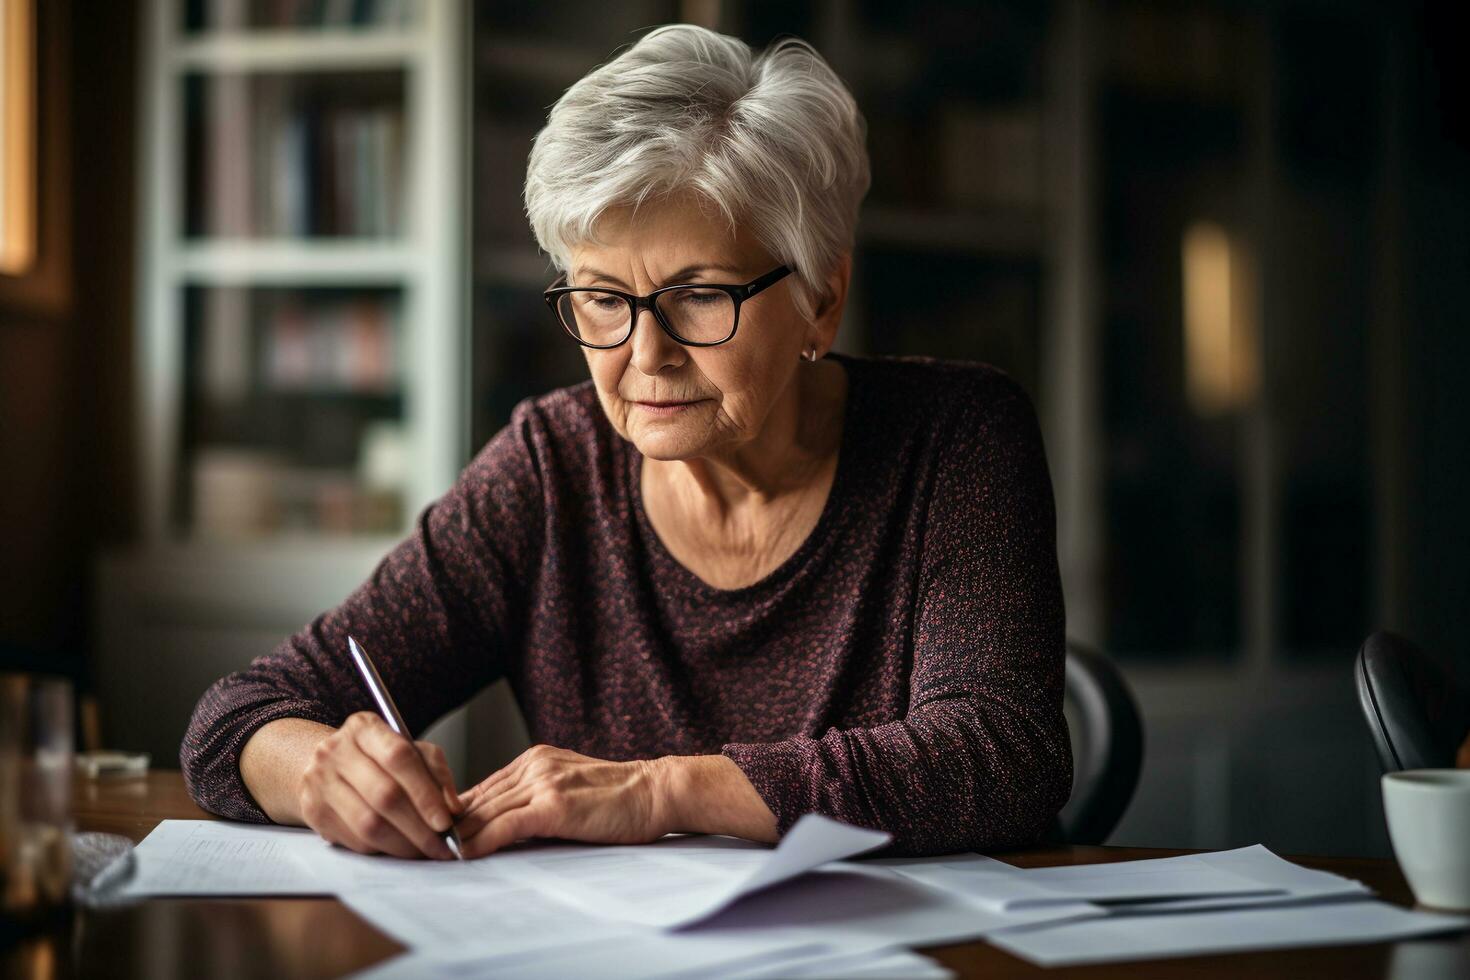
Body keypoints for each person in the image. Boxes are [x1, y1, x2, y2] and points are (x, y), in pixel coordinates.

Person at [181, 24, 1072, 860]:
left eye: (698, 296)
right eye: (602, 298)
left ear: (821, 298)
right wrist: (321, 771)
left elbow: (1001, 756)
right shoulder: (549, 468)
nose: (645, 356)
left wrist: (658, 794)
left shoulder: (955, 439)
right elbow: (237, 717)